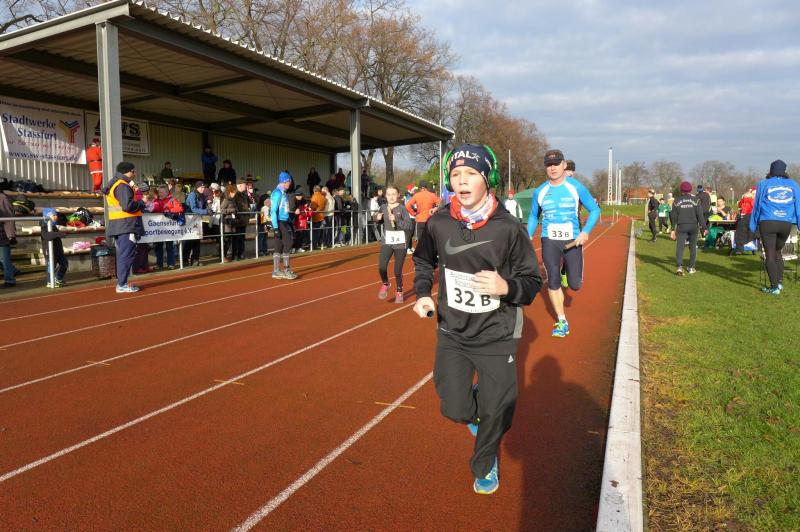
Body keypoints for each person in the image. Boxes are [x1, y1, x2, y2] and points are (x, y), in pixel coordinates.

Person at [413, 143, 542, 495]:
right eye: (456, 174)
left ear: (487, 179)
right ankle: (476, 410)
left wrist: (505, 286)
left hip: (497, 333)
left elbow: (532, 282)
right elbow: (423, 260)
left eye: (471, 173)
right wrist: (423, 292)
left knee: (498, 411)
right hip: (452, 331)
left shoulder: (508, 228)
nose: (462, 180)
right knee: (455, 409)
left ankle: (484, 463)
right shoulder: (438, 222)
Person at [527, 149, 601, 338]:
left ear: (564, 165)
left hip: (573, 240)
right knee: (552, 281)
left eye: (556, 164)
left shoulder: (576, 187)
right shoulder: (540, 192)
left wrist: (585, 231)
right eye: (549, 165)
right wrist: (528, 235)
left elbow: (594, 210)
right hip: (549, 240)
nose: (552, 168)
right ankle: (562, 321)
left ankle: (567, 271)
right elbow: (533, 216)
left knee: (575, 284)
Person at [749, 160, 800, 294]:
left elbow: (757, 206)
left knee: (770, 254)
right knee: (778, 251)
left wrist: (753, 225)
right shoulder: (793, 184)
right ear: (784, 171)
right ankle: (780, 282)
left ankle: (774, 287)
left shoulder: (763, 184)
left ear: (771, 171)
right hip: (785, 223)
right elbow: (798, 206)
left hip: (767, 222)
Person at [103, 161, 145, 293]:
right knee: (126, 255)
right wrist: (142, 203)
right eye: (133, 171)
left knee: (124, 254)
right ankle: (122, 284)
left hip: (120, 224)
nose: (134, 173)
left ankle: (122, 283)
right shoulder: (122, 185)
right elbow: (128, 206)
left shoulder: (116, 183)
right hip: (126, 224)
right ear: (128, 171)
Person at [376, 184, 412, 302]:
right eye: (389, 194)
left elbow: (409, 226)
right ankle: (386, 283)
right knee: (382, 267)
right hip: (387, 241)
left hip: (401, 243)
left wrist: (396, 220)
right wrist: (377, 218)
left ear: (398, 195)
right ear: (385, 196)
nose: (391, 197)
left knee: (397, 270)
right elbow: (378, 221)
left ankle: (399, 291)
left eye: (393, 194)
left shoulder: (402, 208)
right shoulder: (383, 207)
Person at [670, 181, 707, 276]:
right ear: (690, 190)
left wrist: (672, 230)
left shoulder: (676, 201)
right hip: (693, 226)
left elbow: (673, 216)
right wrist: (704, 228)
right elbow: (700, 215)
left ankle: (679, 267)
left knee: (680, 246)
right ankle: (691, 267)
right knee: (693, 247)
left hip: (681, 226)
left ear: (681, 190)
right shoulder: (696, 200)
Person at [270, 171, 297, 279]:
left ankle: (276, 271)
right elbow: (273, 211)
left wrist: (289, 219)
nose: (290, 183)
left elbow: (284, 209)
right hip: (279, 222)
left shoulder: (283, 193)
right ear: (284, 181)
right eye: (289, 181)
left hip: (284, 221)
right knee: (288, 243)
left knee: (279, 245)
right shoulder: (277, 193)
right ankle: (286, 269)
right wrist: (276, 227)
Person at [150, 184, 183, 270]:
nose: (160, 194)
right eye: (159, 192)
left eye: (162, 192)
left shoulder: (172, 200)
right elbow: (152, 209)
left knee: (169, 246)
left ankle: (171, 264)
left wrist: (169, 211)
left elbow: (180, 209)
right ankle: (159, 264)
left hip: (169, 228)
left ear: (166, 192)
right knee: (158, 246)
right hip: (159, 227)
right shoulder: (156, 200)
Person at [405, 180, 440, 253]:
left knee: (420, 240)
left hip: (420, 220)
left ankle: (422, 255)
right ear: (426, 187)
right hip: (430, 220)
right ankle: (432, 254)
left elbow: (407, 206)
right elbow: (441, 203)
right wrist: (435, 209)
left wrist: (413, 213)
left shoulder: (416, 195)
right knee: (431, 239)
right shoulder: (432, 195)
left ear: (420, 187)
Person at [39, 208, 68, 287]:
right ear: (47, 216)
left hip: (58, 249)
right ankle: (50, 281)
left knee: (64, 263)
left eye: (56, 215)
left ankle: (58, 278)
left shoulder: (54, 225)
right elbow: (46, 235)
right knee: (51, 266)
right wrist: (60, 234)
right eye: (54, 215)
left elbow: (64, 221)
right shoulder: (44, 226)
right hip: (49, 251)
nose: (56, 217)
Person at [221, 183, 249, 261]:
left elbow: (235, 208)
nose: (234, 194)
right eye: (233, 192)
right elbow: (222, 210)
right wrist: (232, 210)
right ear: (230, 192)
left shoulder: (233, 200)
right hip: (227, 222)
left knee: (233, 239)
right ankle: (224, 256)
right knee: (227, 240)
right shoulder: (226, 200)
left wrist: (235, 211)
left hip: (233, 221)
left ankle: (235, 255)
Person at [184, 181, 208, 267]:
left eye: (203, 187)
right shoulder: (192, 195)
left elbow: (204, 206)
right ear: (197, 187)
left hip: (198, 220)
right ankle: (185, 259)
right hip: (190, 220)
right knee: (190, 241)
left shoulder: (202, 196)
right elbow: (193, 208)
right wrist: (205, 212)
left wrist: (208, 209)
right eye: (201, 187)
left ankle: (195, 260)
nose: (203, 189)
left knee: (197, 240)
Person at [0, 192, 18, 288]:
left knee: (4, 258)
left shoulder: (2, 198)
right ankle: (13, 270)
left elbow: (9, 218)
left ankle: (10, 280)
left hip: (3, 235)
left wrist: (11, 235)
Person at [733, 187, 756, 254]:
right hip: (750, 217)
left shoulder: (743, 201)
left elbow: (741, 209)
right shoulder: (752, 200)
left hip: (744, 217)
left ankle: (739, 248)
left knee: (740, 231)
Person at [292, 187, 312, 252]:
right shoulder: (293, 202)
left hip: (302, 222)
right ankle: (294, 248)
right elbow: (294, 211)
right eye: (297, 195)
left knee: (301, 235)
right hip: (296, 221)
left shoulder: (303, 203)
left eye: (300, 195)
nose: (299, 197)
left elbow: (308, 213)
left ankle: (298, 247)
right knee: (296, 235)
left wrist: (308, 210)